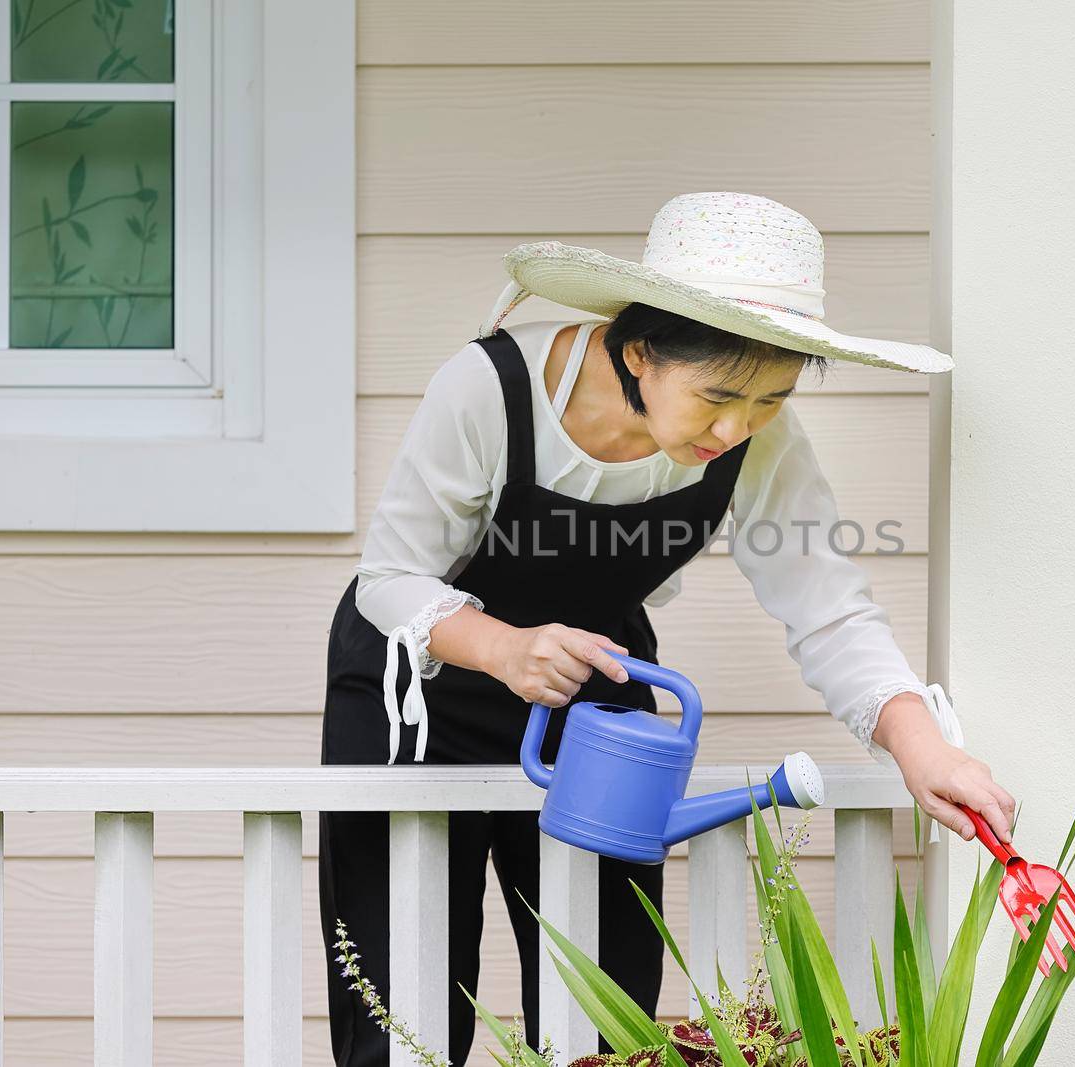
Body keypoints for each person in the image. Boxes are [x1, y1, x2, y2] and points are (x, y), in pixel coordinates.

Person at [318, 190, 1017, 1067]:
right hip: (416, 700)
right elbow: (388, 578)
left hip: (595, 703)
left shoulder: (756, 437)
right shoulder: (489, 388)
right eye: (720, 396)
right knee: (402, 1016)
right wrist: (505, 647)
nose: (737, 431)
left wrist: (926, 749)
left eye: (770, 401)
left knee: (604, 1016)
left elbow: (828, 605)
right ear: (640, 348)